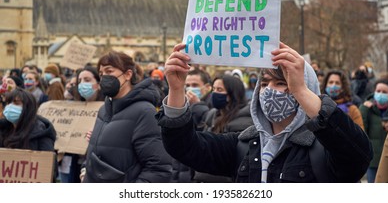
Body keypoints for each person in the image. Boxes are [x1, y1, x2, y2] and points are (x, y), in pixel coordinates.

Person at [157, 42, 372, 183]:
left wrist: (300, 90)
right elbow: (184, 147)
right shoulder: (243, 145)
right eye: (265, 83)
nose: (269, 90)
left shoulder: (321, 150)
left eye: (281, 82)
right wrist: (176, 90)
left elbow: (357, 154)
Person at [81, 51, 172, 183]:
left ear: (128, 74)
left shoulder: (145, 112)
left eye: (109, 71)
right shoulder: (103, 110)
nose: (104, 77)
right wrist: (85, 171)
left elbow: (158, 169)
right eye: (101, 74)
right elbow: (96, 154)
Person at [193, 74, 253, 183]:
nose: (215, 93)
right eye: (214, 89)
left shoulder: (242, 122)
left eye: (219, 89)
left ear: (232, 94)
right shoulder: (213, 115)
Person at [359, 78, 388, 183]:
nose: (381, 94)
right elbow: (362, 130)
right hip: (373, 160)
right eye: (378, 91)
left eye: (384, 92)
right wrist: (364, 109)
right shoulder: (368, 109)